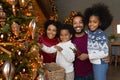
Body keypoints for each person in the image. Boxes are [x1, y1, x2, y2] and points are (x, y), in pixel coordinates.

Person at [84, 3, 113, 80]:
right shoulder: (89, 32)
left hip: (101, 64)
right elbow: (81, 33)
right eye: (90, 21)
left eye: (95, 22)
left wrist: (88, 56)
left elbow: (104, 53)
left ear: (100, 23)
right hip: (95, 62)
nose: (91, 24)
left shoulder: (101, 34)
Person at [72, 13, 93, 80]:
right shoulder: (70, 40)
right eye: (75, 23)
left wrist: (106, 56)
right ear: (72, 25)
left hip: (90, 73)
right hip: (75, 75)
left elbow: (99, 51)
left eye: (80, 22)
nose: (78, 25)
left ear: (84, 24)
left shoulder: (90, 37)